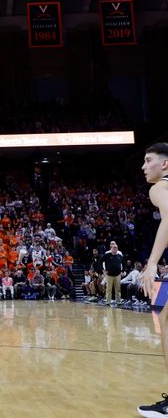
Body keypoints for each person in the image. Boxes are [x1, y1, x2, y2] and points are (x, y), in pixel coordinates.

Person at [137, 143, 168, 417]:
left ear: (165, 165)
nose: (144, 167)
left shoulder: (159, 188)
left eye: (148, 161)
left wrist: (152, 263)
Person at [101, 241, 124, 306]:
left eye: (116, 247)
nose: (115, 248)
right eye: (113, 247)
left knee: (118, 289)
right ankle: (108, 302)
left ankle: (118, 302)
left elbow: (123, 263)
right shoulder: (107, 254)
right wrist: (103, 270)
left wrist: (122, 271)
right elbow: (101, 262)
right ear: (111, 247)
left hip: (117, 274)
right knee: (109, 289)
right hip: (109, 275)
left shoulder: (119, 254)